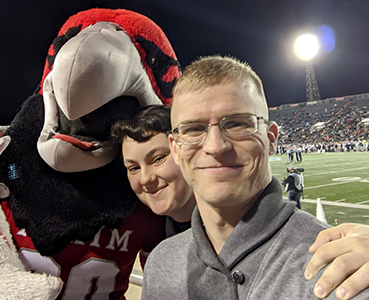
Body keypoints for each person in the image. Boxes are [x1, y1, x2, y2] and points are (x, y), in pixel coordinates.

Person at [140, 55, 369, 299]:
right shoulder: (161, 262)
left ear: (271, 139)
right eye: (194, 129)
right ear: (175, 149)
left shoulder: (340, 267)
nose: (216, 146)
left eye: (238, 124)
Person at [110, 105, 195, 237]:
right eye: (134, 168)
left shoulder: (231, 226)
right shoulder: (151, 237)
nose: (145, 179)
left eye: (158, 159)